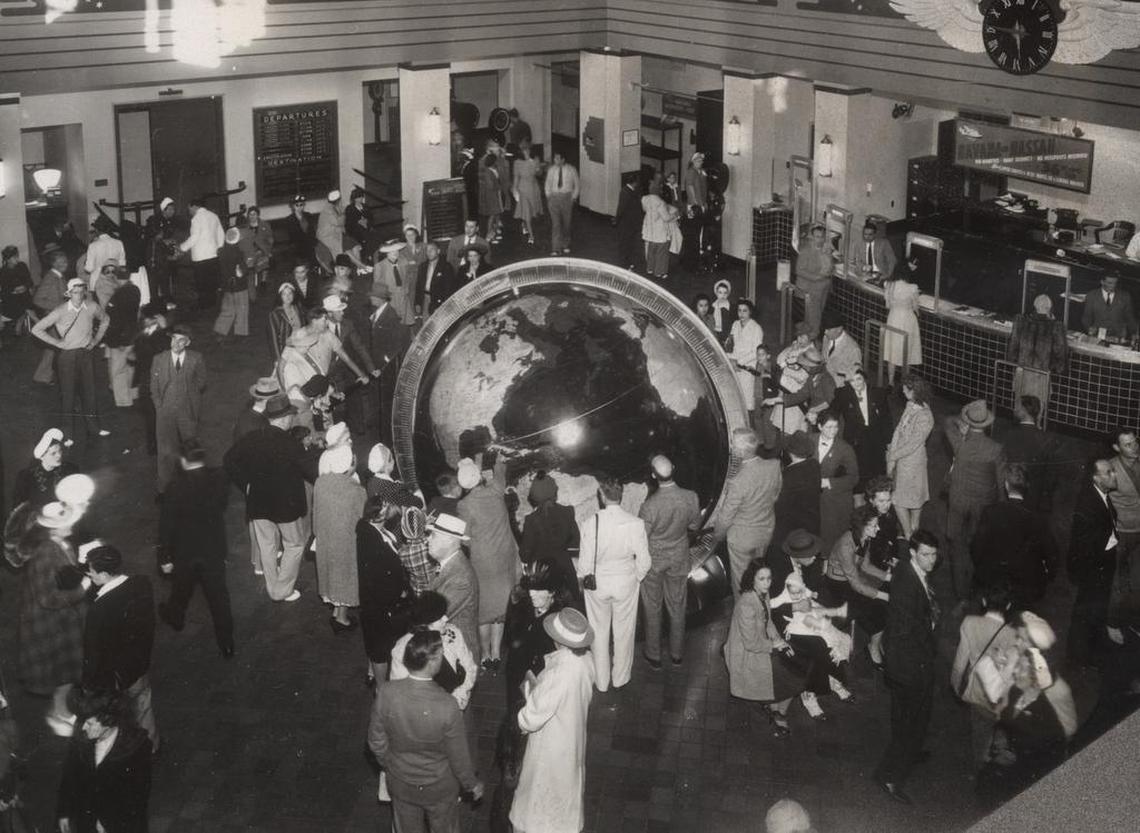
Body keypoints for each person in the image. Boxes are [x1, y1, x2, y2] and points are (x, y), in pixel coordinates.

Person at [368, 631, 484, 832]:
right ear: (432, 663)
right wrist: (471, 784)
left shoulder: (387, 692)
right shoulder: (448, 705)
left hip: (401, 782)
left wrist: (390, 763)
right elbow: (459, 756)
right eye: (440, 654)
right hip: (439, 786)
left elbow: (375, 740)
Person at [509, 608, 595, 833]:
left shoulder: (559, 672)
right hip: (572, 738)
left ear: (559, 641)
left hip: (552, 746)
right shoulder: (586, 660)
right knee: (566, 791)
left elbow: (531, 718)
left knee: (539, 796)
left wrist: (528, 695)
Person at [874, 530, 941, 805]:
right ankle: (890, 776)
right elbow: (904, 631)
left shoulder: (907, 569)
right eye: (926, 555)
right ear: (913, 553)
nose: (931, 560)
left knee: (911, 717)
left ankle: (909, 754)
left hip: (910, 662)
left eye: (935, 554)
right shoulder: (906, 584)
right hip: (910, 666)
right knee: (910, 722)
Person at [223, 395, 309, 602]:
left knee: (267, 545)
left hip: (258, 503)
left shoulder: (252, 438)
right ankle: (281, 590)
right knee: (295, 545)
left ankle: (273, 587)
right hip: (286, 508)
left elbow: (229, 459)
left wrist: (246, 484)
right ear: (285, 418)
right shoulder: (291, 444)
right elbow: (308, 470)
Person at [15, 501, 90, 733]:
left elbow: (62, 575)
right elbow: (47, 598)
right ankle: (59, 714)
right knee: (64, 673)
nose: (73, 524)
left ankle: (61, 710)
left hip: (59, 621)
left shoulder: (58, 543)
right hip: (50, 625)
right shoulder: (46, 554)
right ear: (53, 528)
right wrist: (83, 588)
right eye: (67, 522)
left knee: (66, 672)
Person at [158, 440, 234, 658]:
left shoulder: (174, 488)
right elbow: (221, 506)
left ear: (182, 460)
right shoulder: (219, 479)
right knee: (219, 598)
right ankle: (227, 643)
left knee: (181, 588)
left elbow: (166, 526)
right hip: (213, 549)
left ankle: (175, 616)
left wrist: (164, 556)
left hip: (185, 552)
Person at [577, 477, 650, 693]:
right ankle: (620, 678)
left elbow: (583, 566)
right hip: (625, 583)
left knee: (598, 633)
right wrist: (635, 577)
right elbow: (645, 561)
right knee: (624, 632)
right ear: (622, 495)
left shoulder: (590, 523)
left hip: (598, 584)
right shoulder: (635, 524)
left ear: (601, 495)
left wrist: (585, 579)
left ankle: (601, 681)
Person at [81, 545, 158, 747]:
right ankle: (151, 746)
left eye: (91, 570)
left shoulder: (99, 609)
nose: (88, 573)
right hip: (139, 665)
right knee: (143, 707)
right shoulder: (142, 584)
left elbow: (93, 652)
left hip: (113, 676)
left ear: (105, 574)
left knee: (116, 716)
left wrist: (89, 684)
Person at [725, 558, 803, 737]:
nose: (767, 583)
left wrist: (780, 640)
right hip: (747, 654)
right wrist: (775, 645)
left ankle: (775, 706)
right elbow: (751, 644)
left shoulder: (763, 594)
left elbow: (768, 622)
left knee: (792, 665)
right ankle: (779, 714)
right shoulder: (746, 604)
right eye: (762, 579)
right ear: (752, 579)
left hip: (762, 644)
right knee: (792, 676)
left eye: (769, 578)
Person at [57, 689, 152, 833]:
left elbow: (137, 798)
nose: (83, 727)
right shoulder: (81, 736)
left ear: (108, 721)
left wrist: (107, 824)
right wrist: (64, 812)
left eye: (89, 723)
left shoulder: (137, 747)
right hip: (88, 821)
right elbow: (70, 776)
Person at [458, 453, 520, 671]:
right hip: (505, 558)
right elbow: (501, 471)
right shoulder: (496, 490)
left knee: (484, 611)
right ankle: (496, 653)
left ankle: (484, 655)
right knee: (501, 606)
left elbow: (464, 539)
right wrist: (496, 460)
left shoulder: (464, 505)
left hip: (482, 563)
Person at [639, 455, 701, 668]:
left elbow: (641, 538)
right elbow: (694, 526)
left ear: (653, 476)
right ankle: (677, 654)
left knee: (652, 607)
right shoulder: (691, 497)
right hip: (679, 557)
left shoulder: (649, 505)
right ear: (674, 468)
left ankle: (653, 655)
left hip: (654, 562)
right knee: (677, 605)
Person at [31, 278, 111, 441]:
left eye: (82, 291)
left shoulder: (91, 307)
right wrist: (57, 343)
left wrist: (95, 341)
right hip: (67, 356)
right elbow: (36, 329)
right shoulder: (60, 311)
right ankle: (67, 435)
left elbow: (105, 320)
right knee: (68, 395)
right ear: (68, 294)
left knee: (90, 392)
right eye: (75, 292)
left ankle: (94, 428)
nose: (79, 295)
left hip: (86, 354)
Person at [943, 400, 1006, 603]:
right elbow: (1000, 479)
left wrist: (963, 419)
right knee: (976, 543)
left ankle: (958, 591)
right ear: (987, 425)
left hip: (958, 498)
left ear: (969, 422)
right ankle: (974, 587)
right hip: (983, 502)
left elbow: (947, 421)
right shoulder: (996, 448)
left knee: (955, 540)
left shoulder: (959, 442)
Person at [950, 584, 1019, 771]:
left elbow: (960, 662)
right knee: (997, 729)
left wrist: (956, 687)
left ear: (983, 601)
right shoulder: (1012, 634)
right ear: (1009, 605)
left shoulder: (969, 623)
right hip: (999, 695)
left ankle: (980, 768)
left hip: (976, 690)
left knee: (979, 733)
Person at [971, 465, 1057, 610]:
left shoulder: (990, 512)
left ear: (1005, 485)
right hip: (1025, 586)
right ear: (1027, 486)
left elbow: (976, 548)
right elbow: (1051, 554)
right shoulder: (1038, 518)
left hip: (994, 584)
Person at [714, 429, 781, 598]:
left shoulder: (737, 482)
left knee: (742, 584)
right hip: (765, 532)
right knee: (760, 577)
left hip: (742, 539)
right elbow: (775, 495)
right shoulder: (773, 466)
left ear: (739, 452)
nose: (731, 448)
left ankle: (746, 619)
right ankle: (763, 611)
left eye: (733, 445)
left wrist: (718, 537)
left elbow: (725, 517)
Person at [1067, 458, 1120, 668]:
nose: (1113, 475)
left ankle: (1085, 652)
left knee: (1091, 609)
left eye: (1113, 471)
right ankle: (1081, 656)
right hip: (1093, 569)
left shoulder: (1100, 496)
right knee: (1087, 611)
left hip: (1097, 567)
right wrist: (1112, 541)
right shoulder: (1089, 504)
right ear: (1096, 478)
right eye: (1108, 473)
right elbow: (1087, 543)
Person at [356, 495, 413, 687]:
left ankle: (372, 673)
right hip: (380, 604)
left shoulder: (375, 531)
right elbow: (380, 577)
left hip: (379, 602)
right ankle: (381, 688)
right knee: (379, 647)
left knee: (377, 643)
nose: (389, 507)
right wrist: (400, 593)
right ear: (378, 515)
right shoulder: (372, 543)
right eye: (385, 507)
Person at [389, 591, 476, 710]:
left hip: (457, 703)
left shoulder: (453, 633)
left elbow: (469, 666)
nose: (446, 618)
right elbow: (400, 691)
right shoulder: (403, 648)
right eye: (439, 618)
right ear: (424, 625)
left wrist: (460, 695)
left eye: (444, 614)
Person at [313, 444, 367, 632]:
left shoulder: (321, 482)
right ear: (350, 465)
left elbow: (316, 512)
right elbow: (361, 521)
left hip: (325, 537)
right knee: (345, 578)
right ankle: (342, 619)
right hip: (346, 542)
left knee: (331, 575)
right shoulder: (356, 490)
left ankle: (337, 611)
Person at [150, 326, 206, 495]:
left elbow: (201, 382)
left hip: (187, 412)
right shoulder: (159, 359)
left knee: (191, 450)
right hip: (165, 413)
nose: (176, 343)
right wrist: (159, 407)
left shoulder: (196, 359)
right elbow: (153, 386)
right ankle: (164, 489)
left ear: (187, 343)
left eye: (181, 340)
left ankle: (194, 487)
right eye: (174, 338)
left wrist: (190, 400)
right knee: (165, 452)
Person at [426, 513, 482, 667]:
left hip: (457, 658)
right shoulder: (448, 564)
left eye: (434, 535)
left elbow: (431, 617)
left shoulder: (460, 578)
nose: (427, 539)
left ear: (449, 540)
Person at [518, 472, 581, 604]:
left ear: (534, 495)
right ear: (554, 491)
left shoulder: (531, 520)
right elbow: (575, 543)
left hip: (543, 577)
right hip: (565, 572)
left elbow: (524, 554)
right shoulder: (567, 512)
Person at [885, 372, 935, 538]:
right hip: (902, 459)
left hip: (913, 462)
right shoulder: (910, 405)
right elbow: (899, 428)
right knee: (913, 497)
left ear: (915, 391)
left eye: (906, 390)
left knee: (900, 500)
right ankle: (913, 532)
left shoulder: (925, 416)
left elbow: (914, 444)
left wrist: (893, 455)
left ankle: (908, 533)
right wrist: (893, 448)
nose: (904, 393)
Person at [833, 369, 891, 497]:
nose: (856, 383)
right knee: (857, 473)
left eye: (858, 379)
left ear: (864, 378)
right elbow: (832, 412)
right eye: (852, 381)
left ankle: (878, 500)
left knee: (877, 472)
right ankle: (858, 503)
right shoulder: (843, 394)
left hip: (875, 439)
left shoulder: (878, 394)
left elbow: (887, 419)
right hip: (855, 440)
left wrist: (888, 442)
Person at [366, 282, 411, 445]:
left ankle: (386, 437)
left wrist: (384, 360)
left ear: (380, 299)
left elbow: (397, 344)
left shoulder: (390, 316)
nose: (370, 298)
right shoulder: (377, 312)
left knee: (385, 402)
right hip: (376, 363)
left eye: (373, 296)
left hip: (385, 368)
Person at [768, 432, 821, 562]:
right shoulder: (814, 465)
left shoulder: (788, 476)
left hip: (791, 529)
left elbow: (778, 507)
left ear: (790, 453)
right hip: (811, 523)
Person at [1001, 396, 1056, 513]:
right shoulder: (1047, 439)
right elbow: (1050, 474)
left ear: (1024, 411)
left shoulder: (1009, 434)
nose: (1015, 409)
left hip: (1010, 493)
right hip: (1034, 497)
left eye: (1018, 407)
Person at [1108, 427, 1140, 627]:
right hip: (1121, 533)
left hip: (1138, 531)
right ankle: (1112, 623)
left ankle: (1132, 619)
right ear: (1116, 447)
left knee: (1136, 580)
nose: (1134, 447)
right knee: (1117, 581)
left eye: (1135, 441)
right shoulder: (1109, 470)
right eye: (1127, 444)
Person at [816, 409, 859, 558]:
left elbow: (854, 478)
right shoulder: (809, 440)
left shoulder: (845, 449)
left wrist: (830, 482)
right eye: (829, 427)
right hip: (812, 499)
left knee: (830, 538)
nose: (833, 431)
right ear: (819, 427)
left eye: (835, 427)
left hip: (833, 501)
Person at [132, 303, 170, 456]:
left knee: (156, 417)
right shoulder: (147, 336)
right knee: (154, 416)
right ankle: (157, 447)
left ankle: (157, 447)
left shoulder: (150, 336)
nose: (144, 321)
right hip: (151, 382)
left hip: (153, 382)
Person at [101, 265, 141, 409]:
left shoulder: (118, 296)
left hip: (119, 338)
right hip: (132, 335)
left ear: (116, 278)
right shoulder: (135, 290)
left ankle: (124, 401)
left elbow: (116, 320)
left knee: (118, 370)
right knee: (131, 366)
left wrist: (118, 339)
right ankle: (134, 393)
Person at [179, 195, 225, 312]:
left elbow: (194, 237)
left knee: (202, 284)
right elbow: (221, 235)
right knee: (211, 283)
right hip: (213, 255)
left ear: (194, 206)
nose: (189, 211)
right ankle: (212, 305)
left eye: (189, 208)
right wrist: (219, 249)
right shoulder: (214, 216)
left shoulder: (196, 219)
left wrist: (182, 247)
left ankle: (204, 307)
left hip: (200, 257)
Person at [11, 428, 77, 509]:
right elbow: (19, 509)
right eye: (53, 453)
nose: (59, 455)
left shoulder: (69, 470)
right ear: (42, 457)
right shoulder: (26, 477)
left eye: (60, 451)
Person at [32, 248, 70, 385]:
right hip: (54, 317)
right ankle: (47, 375)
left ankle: (43, 375)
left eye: (66, 261)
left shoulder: (60, 276)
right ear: (55, 264)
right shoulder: (50, 278)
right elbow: (37, 299)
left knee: (53, 348)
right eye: (63, 262)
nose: (66, 264)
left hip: (59, 317)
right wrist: (55, 308)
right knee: (56, 347)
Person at [882, 256, 923, 380]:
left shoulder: (888, 284)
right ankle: (905, 381)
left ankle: (890, 381)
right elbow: (916, 307)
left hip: (893, 318)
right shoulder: (913, 288)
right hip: (908, 319)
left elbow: (887, 305)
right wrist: (918, 313)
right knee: (907, 350)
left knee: (892, 350)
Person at [794, 224, 835, 338]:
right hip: (811, 286)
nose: (819, 240)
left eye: (821, 237)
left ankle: (813, 334)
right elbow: (799, 270)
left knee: (819, 313)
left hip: (824, 285)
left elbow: (830, 266)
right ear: (812, 237)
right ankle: (812, 335)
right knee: (814, 315)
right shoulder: (806, 250)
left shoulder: (826, 249)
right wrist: (815, 277)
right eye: (817, 236)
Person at [729, 299, 764, 416]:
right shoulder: (735, 324)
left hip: (748, 368)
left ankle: (750, 426)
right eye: (739, 311)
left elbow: (756, 352)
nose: (741, 314)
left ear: (750, 312)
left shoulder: (756, 328)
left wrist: (738, 362)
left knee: (747, 401)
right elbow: (732, 345)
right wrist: (731, 360)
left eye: (745, 311)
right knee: (735, 397)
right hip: (733, 365)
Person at [212, 226, 248, 338]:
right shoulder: (239, 253)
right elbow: (242, 270)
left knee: (227, 309)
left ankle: (219, 331)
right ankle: (240, 333)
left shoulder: (221, 252)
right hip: (239, 286)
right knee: (242, 309)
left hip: (227, 286)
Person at [1081, 273, 1136, 340]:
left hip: (1118, 337)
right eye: (1110, 283)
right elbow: (1086, 317)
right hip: (1097, 336)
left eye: (1115, 283)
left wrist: (1134, 333)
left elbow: (1130, 318)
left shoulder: (1125, 296)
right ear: (1102, 282)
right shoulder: (1091, 295)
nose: (1113, 286)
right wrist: (1089, 329)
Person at [544, 152, 579, 255]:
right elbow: (547, 184)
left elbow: (577, 184)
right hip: (554, 198)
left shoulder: (571, 169)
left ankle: (566, 244)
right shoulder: (551, 170)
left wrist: (573, 197)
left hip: (567, 198)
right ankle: (555, 247)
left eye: (557, 158)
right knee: (556, 224)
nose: (555, 160)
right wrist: (548, 196)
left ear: (563, 159)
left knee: (566, 223)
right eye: (554, 158)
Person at [268, 281, 307, 371]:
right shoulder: (276, 313)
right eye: (284, 294)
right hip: (285, 350)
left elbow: (304, 328)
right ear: (280, 296)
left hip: (300, 348)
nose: (288, 296)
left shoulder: (298, 308)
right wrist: (278, 358)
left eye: (290, 293)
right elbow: (273, 338)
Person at [81, 215, 127, 290]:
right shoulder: (119, 243)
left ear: (97, 230)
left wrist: (85, 264)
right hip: (113, 280)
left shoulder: (93, 245)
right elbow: (122, 265)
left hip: (97, 281)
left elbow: (89, 268)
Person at [415, 240, 458, 318]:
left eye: (432, 249)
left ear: (438, 251)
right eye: (427, 250)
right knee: (426, 325)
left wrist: (442, 305)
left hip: (439, 301)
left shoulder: (446, 266)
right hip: (425, 299)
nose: (429, 252)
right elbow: (418, 286)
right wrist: (418, 302)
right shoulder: (422, 266)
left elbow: (449, 289)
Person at [238, 205, 274, 292]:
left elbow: (270, 238)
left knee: (264, 258)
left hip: (262, 249)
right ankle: (252, 283)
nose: (252, 216)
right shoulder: (245, 226)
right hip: (250, 250)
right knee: (249, 261)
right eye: (250, 214)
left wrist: (268, 249)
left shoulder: (264, 225)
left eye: (254, 214)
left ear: (258, 215)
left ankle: (263, 281)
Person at [820, 314, 862, 389]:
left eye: (828, 329)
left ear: (839, 329)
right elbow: (824, 358)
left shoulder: (852, 348)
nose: (825, 332)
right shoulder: (826, 338)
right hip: (824, 378)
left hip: (840, 386)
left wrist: (838, 375)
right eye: (825, 329)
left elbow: (856, 372)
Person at [641, 180, 672, 279]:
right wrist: (674, 215)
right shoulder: (660, 202)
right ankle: (659, 272)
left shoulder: (644, 199)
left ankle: (649, 268)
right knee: (661, 251)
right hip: (659, 230)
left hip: (649, 228)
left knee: (651, 250)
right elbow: (666, 217)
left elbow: (644, 210)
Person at [0, 244, 34, 332]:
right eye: (14, 257)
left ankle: (20, 322)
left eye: (17, 256)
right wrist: (14, 290)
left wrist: (25, 286)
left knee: (24, 299)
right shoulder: (3, 272)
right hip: (11, 298)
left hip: (24, 295)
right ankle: (23, 321)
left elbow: (30, 281)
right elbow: (4, 290)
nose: (17, 259)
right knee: (20, 303)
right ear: (7, 259)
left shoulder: (22, 266)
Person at [614, 173, 643, 270]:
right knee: (625, 243)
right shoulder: (625, 192)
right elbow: (621, 208)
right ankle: (624, 264)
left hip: (631, 223)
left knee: (629, 243)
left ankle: (627, 262)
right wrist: (617, 219)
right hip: (626, 223)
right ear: (634, 182)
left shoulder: (629, 191)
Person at [316, 190, 347, 271]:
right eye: (340, 200)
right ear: (337, 200)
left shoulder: (332, 207)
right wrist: (343, 213)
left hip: (332, 232)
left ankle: (341, 267)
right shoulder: (328, 210)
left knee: (341, 244)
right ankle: (339, 269)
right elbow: (339, 222)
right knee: (338, 249)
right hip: (325, 235)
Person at [479, 152, 505, 244]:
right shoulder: (488, 172)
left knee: (495, 214)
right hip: (492, 196)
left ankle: (493, 233)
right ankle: (489, 235)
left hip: (495, 195)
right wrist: (498, 187)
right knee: (492, 215)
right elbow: (490, 186)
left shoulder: (492, 170)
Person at [283, 194, 317, 267]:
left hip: (310, 245)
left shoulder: (308, 216)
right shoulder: (289, 220)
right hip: (297, 248)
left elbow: (312, 232)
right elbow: (290, 237)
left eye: (301, 205)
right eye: (297, 205)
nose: (299, 207)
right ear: (293, 206)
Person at [708, 279, 734, 345]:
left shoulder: (731, 307)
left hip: (726, 336)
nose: (723, 295)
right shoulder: (712, 307)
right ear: (716, 292)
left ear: (728, 294)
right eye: (720, 292)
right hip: (715, 335)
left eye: (725, 293)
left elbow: (733, 324)